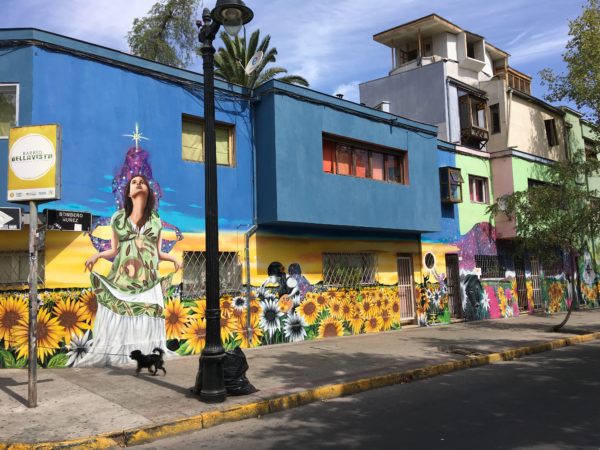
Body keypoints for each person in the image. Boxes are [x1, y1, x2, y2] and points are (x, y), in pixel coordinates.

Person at [77, 175, 181, 366]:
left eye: (142, 182)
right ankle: (122, 352)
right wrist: (97, 256)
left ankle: (148, 352)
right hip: (123, 276)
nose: (138, 183)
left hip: (149, 277)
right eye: (134, 182)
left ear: (148, 191)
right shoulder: (118, 218)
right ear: (128, 193)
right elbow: (114, 250)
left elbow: (158, 252)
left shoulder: (156, 220)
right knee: (122, 314)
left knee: (147, 316)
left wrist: (173, 258)